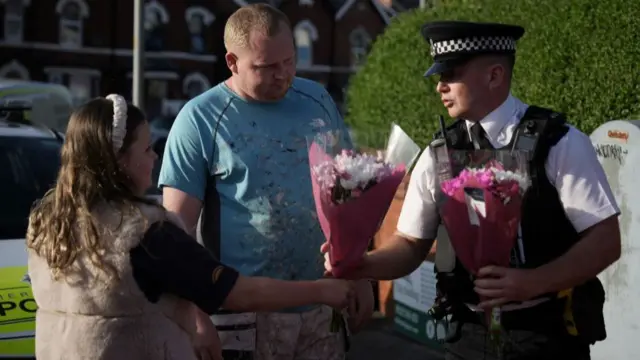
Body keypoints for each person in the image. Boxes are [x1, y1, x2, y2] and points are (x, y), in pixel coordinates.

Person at [322, 21, 622, 360]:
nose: (440, 87)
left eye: (450, 75)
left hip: (546, 335)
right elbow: (410, 245)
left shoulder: (560, 143)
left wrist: (533, 282)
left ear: (494, 76)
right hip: (465, 336)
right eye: (439, 77)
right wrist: (360, 264)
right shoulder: (438, 154)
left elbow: (605, 240)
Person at [26, 95, 355, 360]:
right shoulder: (144, 233)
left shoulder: (47, 223)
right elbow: (237, 292)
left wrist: (188, 317)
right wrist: (321, 290)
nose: (155, 157)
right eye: (146, 149)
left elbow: (129, 296)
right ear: (120, 163)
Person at [158, 3, 374, 360]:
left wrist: (361, 274)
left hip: (323, 306)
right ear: (232, 62)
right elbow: (175, 235)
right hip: (243, 317)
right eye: (267, 66)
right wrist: (194, 317)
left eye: (289, 60)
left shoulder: (317, 100)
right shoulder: (199, 119)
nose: (283, 74)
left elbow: (347, 193)